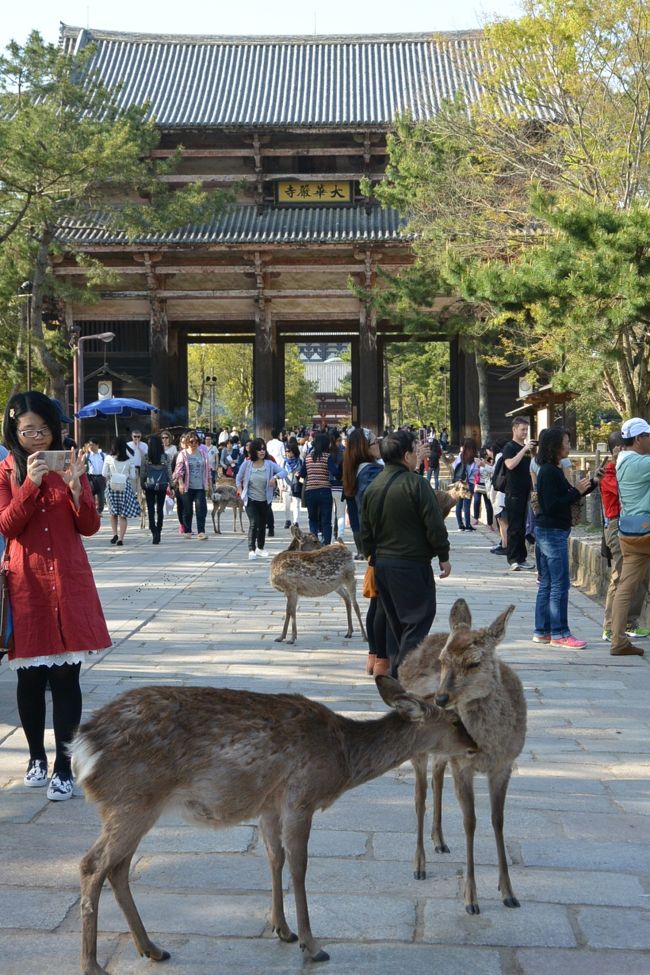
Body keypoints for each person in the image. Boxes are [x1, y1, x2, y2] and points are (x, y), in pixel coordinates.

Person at [0, 391, 110, 801]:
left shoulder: (70, 466)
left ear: (55, 429)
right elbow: (8, 526)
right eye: (27, 431)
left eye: (43, 430)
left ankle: (64, 767)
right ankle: (35, 758)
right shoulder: (6, 471)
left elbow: (90, 527)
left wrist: (78, 490)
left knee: (66, 677)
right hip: (26, 584)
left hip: (67, 579)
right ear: (14, 430)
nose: (36, 439)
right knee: (30, 679)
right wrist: (28, 484)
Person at [361, 429, 450, 677]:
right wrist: (443, 555)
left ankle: (393, 670)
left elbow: (365, 531)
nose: (416, 454)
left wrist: (371, 555)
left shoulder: (374, 486)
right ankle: (404, 671)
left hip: (382, 564)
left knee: (394, 621)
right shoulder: (416, 485)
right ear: (406, 455)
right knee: (418, 618)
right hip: (411, 563)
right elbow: (434, 524)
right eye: (414, 450)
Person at [533, 427, 599, 649]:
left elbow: (567, 496)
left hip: (546, 530)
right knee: (559, 584)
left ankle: (542, 630)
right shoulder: (550, 472)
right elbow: (552, 504)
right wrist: (575, 491)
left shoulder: (552, 469)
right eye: (566, 442)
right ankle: (559, 632)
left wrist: (590, 484)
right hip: (552, 532)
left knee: (548, 583)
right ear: (554, 446)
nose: (569, 446)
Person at [343, 428, 395, 677]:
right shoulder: (371, 471)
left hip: (371, 542)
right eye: (376, 442)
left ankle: (375, 657)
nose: (379, 445)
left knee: (377, 600)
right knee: (382, 603)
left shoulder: (358, 470)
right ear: (366, 446)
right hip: (382, 542)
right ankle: (382, 658)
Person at [600, 431, 650, 644]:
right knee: (620, 578)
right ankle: (611, 627)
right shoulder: (610, 472)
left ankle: (627, 624)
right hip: (618, 526)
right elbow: (622, 488)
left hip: (632, 525)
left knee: (637, 580)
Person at [236, 439, 286, 560]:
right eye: (259, 449)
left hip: (265, 500)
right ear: (254, 451)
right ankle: (251, 549)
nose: (262, 451)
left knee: (263, 524)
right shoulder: (247, 464)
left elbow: (284, 471)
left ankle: (260, 548)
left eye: (263, 449)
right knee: (254, 523)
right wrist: (239, 489)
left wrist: (275, 477)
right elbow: (238, 477)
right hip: (250, 499)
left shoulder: (269, 464)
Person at [502, 416, 536, 570]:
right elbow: (510, 464)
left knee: (523, 526)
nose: (525, 433)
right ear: (514, 429)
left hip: (525, 492)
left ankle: (521, 558)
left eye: (526, 430)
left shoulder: (527, 450)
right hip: (513, 492)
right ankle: (513, 558)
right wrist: (524, 449)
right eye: (522, 429)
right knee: (514, 527)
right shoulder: (509, 447)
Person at [102, 437, 141, 545]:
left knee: (113, 512)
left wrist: (112, 474)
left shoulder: (108, 458)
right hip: (125, 487)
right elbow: (133, 476)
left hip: (112, 486)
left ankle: (114, 534)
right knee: (122, 514)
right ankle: (121, 539)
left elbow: (104, 473)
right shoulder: (130, 459)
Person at [174, 430, 210, 539]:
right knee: (188, 509)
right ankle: (187, 530)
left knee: (201, 509)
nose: (194, 443)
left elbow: (207, 470)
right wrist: (180, 484)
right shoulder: (183, 454)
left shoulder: (203, 453)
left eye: (196, 441)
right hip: (187, 486)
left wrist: (209, 484)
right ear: (187, 443)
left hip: (200, 486)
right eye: (191, 441)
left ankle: (201, 531)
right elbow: (178, 471)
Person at [301, 433, 334, 544]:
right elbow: (335, 472)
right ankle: (326, 544)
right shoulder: (327, 457)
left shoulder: (308, 457)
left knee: (313, 519)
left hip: (310, 491)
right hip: (324, 490)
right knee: (326, 521)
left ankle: (314, 543)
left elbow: (302, 473)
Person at [140, 434, 173, 544]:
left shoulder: (146, 457)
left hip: (150, 485)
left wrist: (142, 485)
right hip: (162, 485)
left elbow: (143, 472)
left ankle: (153, 530)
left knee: (150, 509)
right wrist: (171, 485)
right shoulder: (165, 456)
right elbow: (169, 472)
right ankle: (159, 528)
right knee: (160, 509)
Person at [451, 438, 478, 531]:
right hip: (468, 483)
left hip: (459, 483)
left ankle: (460, 525)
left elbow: (454, 466)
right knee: (467, 505)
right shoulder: (474, 458)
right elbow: (475, 471)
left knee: (458, 505)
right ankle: (467, 525)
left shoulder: (460, 456)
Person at [472, 446, 495, 529]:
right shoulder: (478, 460)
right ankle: (475, 518)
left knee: (488, 504)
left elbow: (492, 468)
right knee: (476, 501)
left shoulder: (489, 460)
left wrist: (486, 463)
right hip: (478, 484)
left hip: (487, 485)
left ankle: (490, 523)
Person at [283, 442, 303, 528]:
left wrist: (300, 475)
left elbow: (304, 473)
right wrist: (280, 485)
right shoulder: (284, 462)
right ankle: (288, 520)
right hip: (286, 485)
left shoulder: (300, 461)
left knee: (296, 504)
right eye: (286, 451)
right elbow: (280, 473)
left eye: (289, 451)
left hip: (296, 484)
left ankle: (296, 522)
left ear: (294, 451)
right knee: (286, 504)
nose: (287, 453)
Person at [84, 439, 106, 514]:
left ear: (97, 445)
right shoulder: (87, 455)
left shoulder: (103, 455)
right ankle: (93, 511)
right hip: (90, 477)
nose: (90, 446)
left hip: (101, 477)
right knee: (91, 495)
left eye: (92, 445)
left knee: (101, 497)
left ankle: (99, 511)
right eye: (89, 445)